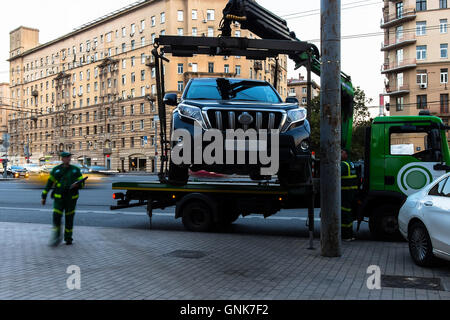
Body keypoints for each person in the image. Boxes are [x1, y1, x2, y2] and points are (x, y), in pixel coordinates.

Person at [41, 152, 85, 246]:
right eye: (65, 157)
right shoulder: (56, 170)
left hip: (71, 199)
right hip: (59, 199)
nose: (67, 159)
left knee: (69, 219)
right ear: (62, 159)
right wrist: (44, 196)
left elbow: (82, 184)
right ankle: (56, 236)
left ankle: (68, 238)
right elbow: (49, 183)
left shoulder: (75, 170)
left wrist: (77, 185)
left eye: (69, 157)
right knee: (56, 217)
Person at [341, 149, 358, 241]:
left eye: (341, 152)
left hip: (344, 193)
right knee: (348, 213)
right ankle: (350, 235)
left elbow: (332, 174)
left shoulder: (343, 165)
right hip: (351, 193)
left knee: (344, 214)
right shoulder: (351, 164)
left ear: (346, 154)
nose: (339, 154)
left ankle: (346, 235)